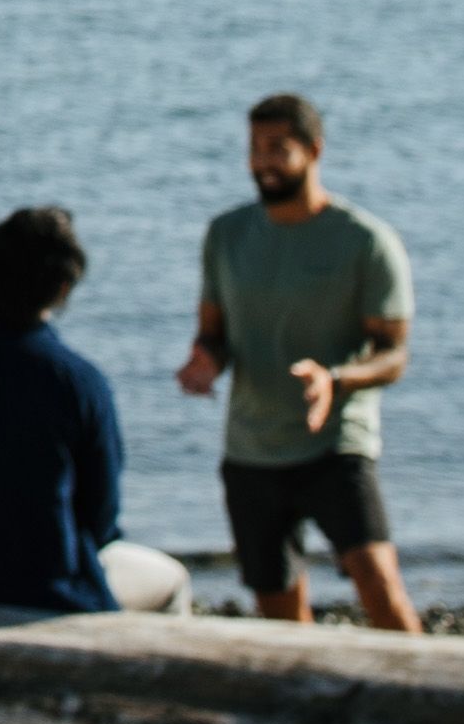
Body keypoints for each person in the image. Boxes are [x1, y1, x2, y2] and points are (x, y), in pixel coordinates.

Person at [179, 91, 418, 629]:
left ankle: (442, 702)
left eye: (277, 148)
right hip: (251, 450)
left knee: (379, 586)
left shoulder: (366, 242)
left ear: (314, 151)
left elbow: (394, 355)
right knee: (279, 613)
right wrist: (204, 364)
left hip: (336, 444)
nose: (262, 162)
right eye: (255, 148)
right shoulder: (227, 235)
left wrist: (336, 378)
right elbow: (213, 335)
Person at [0, 206, 191, 614]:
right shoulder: (78, 381)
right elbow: (101, 514)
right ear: (64, 287)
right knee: (172, 581)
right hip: (46, 590)